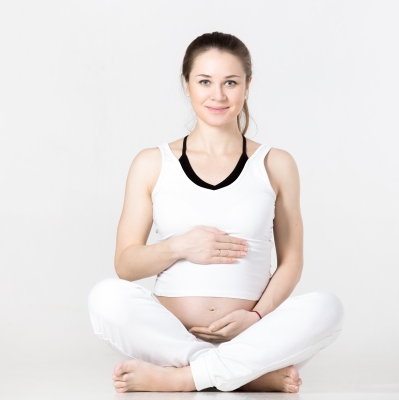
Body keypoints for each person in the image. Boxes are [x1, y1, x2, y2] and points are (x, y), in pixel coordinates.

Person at [87, 31, 344, 393]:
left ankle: (182, 377)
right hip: (171, 336)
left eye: (231, 82)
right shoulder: (151, 163)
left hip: (252, 335)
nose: (218, 95)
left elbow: (292, 262)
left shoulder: (276, 164)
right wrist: (179, 246)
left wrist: (255, 316)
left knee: (328, 308)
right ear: (186, 84)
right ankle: (240, 373)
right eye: (205, 81)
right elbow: (126, 265)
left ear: (247, 86)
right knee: (105, 298)